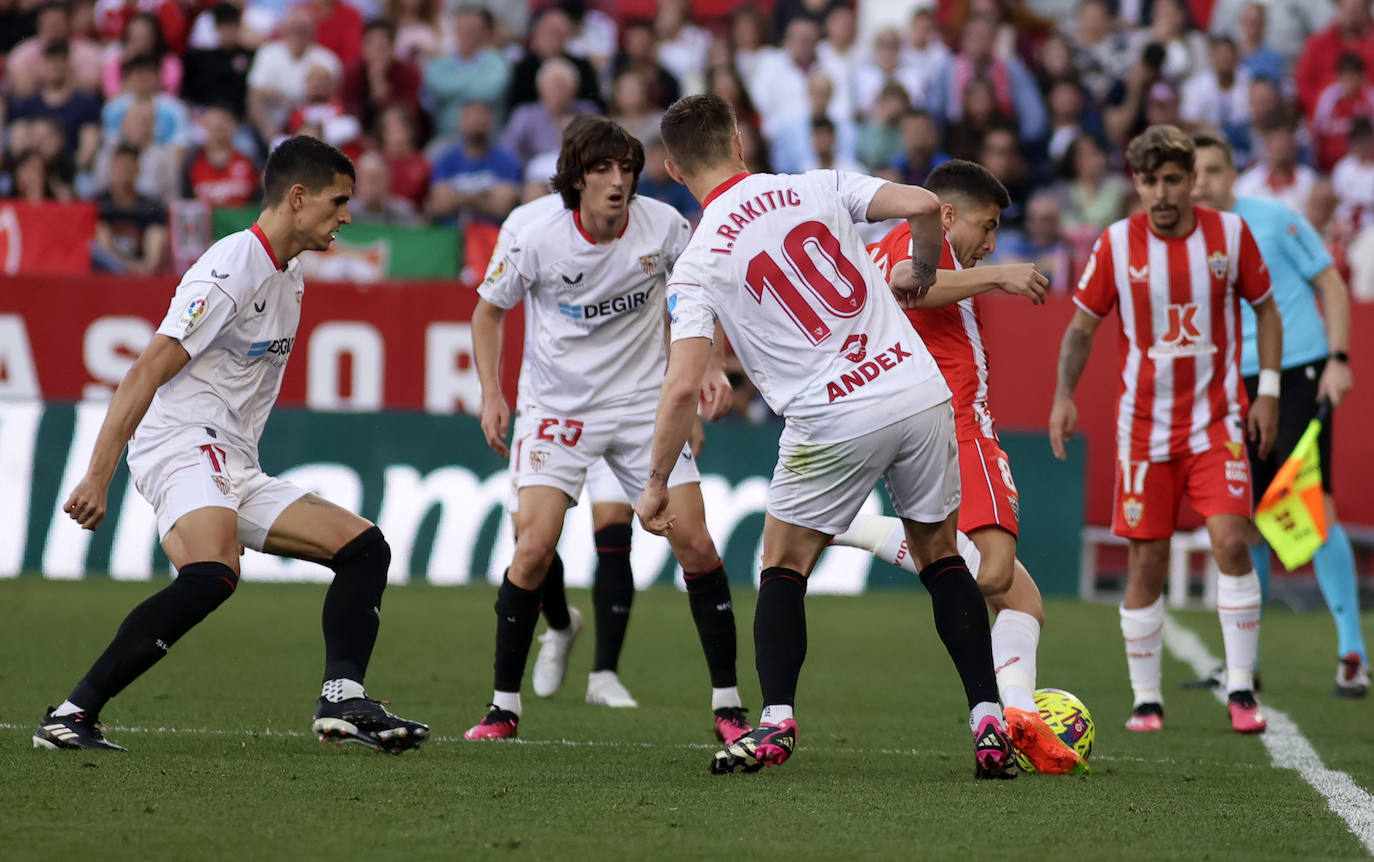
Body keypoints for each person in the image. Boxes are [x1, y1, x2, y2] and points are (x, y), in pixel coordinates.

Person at [644, 93, 1017, 779]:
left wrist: (657, 481)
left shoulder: (697, 261)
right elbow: (923, 205)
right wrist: (926, 269)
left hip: (831, 416)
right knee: (942, 558)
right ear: (739, 143)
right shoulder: (812, 185)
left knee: (782, 565)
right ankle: (989, 719)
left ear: (671, 168)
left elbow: (681, 385)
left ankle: (776, 722)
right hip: (916, 388)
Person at [35, 136, 429, 753]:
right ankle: (71, 714)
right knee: (214, 571)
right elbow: (145, 371)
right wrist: (96, 477)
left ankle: (343, 698)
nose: (348, 216)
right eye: (338, 201)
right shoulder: (232, 267)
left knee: (363, 549)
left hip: (233, 459)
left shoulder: (288, 277)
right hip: (181, 441)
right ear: (297, 198)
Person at [464, 116, 748, 745]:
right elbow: (488, 314)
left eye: (626, 168)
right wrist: (492, 393)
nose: (618, 182)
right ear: (576, 178)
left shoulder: (664, 227)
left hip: (643, 409)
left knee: (696, 543)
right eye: (602, 170)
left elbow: (703, 293)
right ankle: (503, 708)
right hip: (556, 410)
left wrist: (710, 366)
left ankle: (729, 706)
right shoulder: (532, 232)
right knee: (533, 548)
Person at [833, 160, 1085, 775]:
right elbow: (909, 282)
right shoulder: (924, 244)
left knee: (1023, 603)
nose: (992, 242)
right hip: (959, 425)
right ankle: (863, 529)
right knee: (995, 572)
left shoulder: (891, 245)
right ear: (946, 216)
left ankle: (1018, 713)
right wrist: (999, 276)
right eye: (988, 225)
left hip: (919, 423)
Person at [1049, 124, 1282, 735]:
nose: (1161, 193)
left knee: (1232, 541)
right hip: (1144, 432)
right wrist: (1063, 396)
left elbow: (1266, 309)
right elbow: (1081, 328)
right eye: (1149, 181)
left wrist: (1269, 392)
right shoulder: (1116, 244)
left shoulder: (1229, 235)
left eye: (1172, 180)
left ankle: (1241, 688)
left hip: (1217, 423)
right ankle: (1146, 700)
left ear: (1192, 180)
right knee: (1147, 561)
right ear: (1137, 183)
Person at [1191, 134, 1368, 697]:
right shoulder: (1185, 239)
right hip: (1232, 383)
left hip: (1297, 373)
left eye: (1214, 171)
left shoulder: (1273, 219)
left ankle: (1352, 654)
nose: (1203, 183)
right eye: (1194, 173)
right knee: (1245, 517)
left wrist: (1338, 359)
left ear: (1233, 174)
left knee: (1310, 504)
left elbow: (1330, 284)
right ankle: (1245, 665)